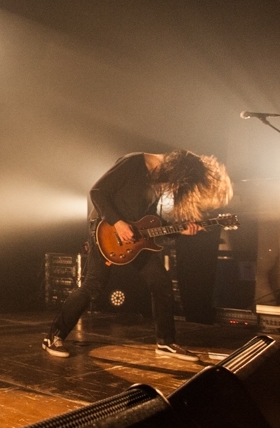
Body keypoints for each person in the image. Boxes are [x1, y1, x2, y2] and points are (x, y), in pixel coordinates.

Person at [42, 151, 233, 361]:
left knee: (161, 283)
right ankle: (54, 336)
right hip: (105, 230)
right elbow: (97, 192)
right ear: (174, 168)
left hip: (135, 238)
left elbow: (151, 222)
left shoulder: (158, 181)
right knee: (94, 285)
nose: (171, 185)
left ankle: (166, 342)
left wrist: (180, 230)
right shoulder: (133, 163)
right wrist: (117, 222)